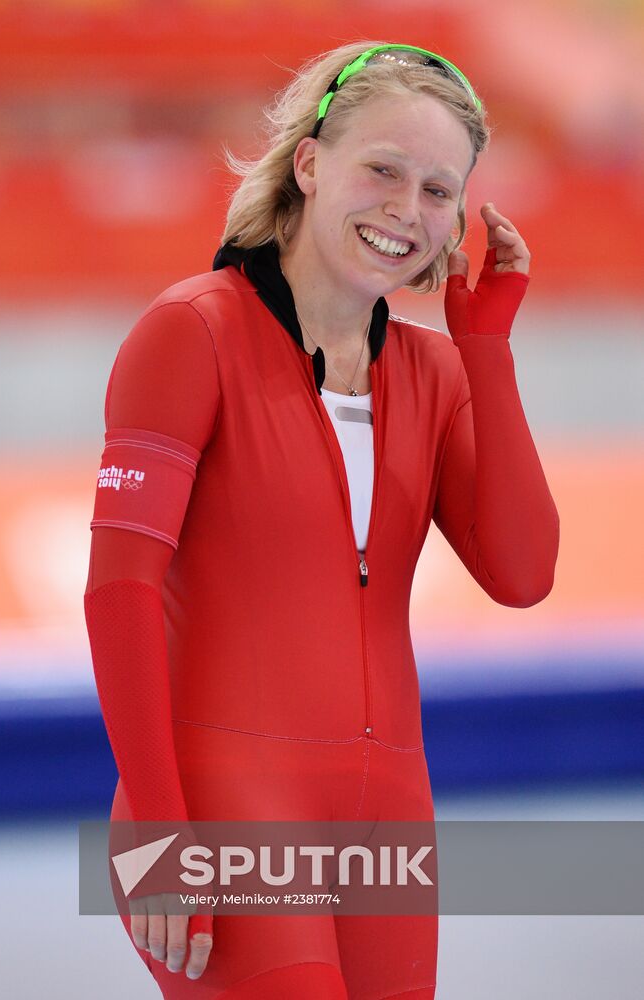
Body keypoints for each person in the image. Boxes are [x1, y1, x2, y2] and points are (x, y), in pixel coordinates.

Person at [83, 40, 559, 999]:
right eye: (381, 169)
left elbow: (522, 572)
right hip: (222, 805)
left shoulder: (433, 375)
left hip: (388, 815)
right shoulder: (193, 332)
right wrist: (157, 833)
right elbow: (119, 593)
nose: (405, 210)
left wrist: (485, 352)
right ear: (309, 164)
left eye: (437, 190)